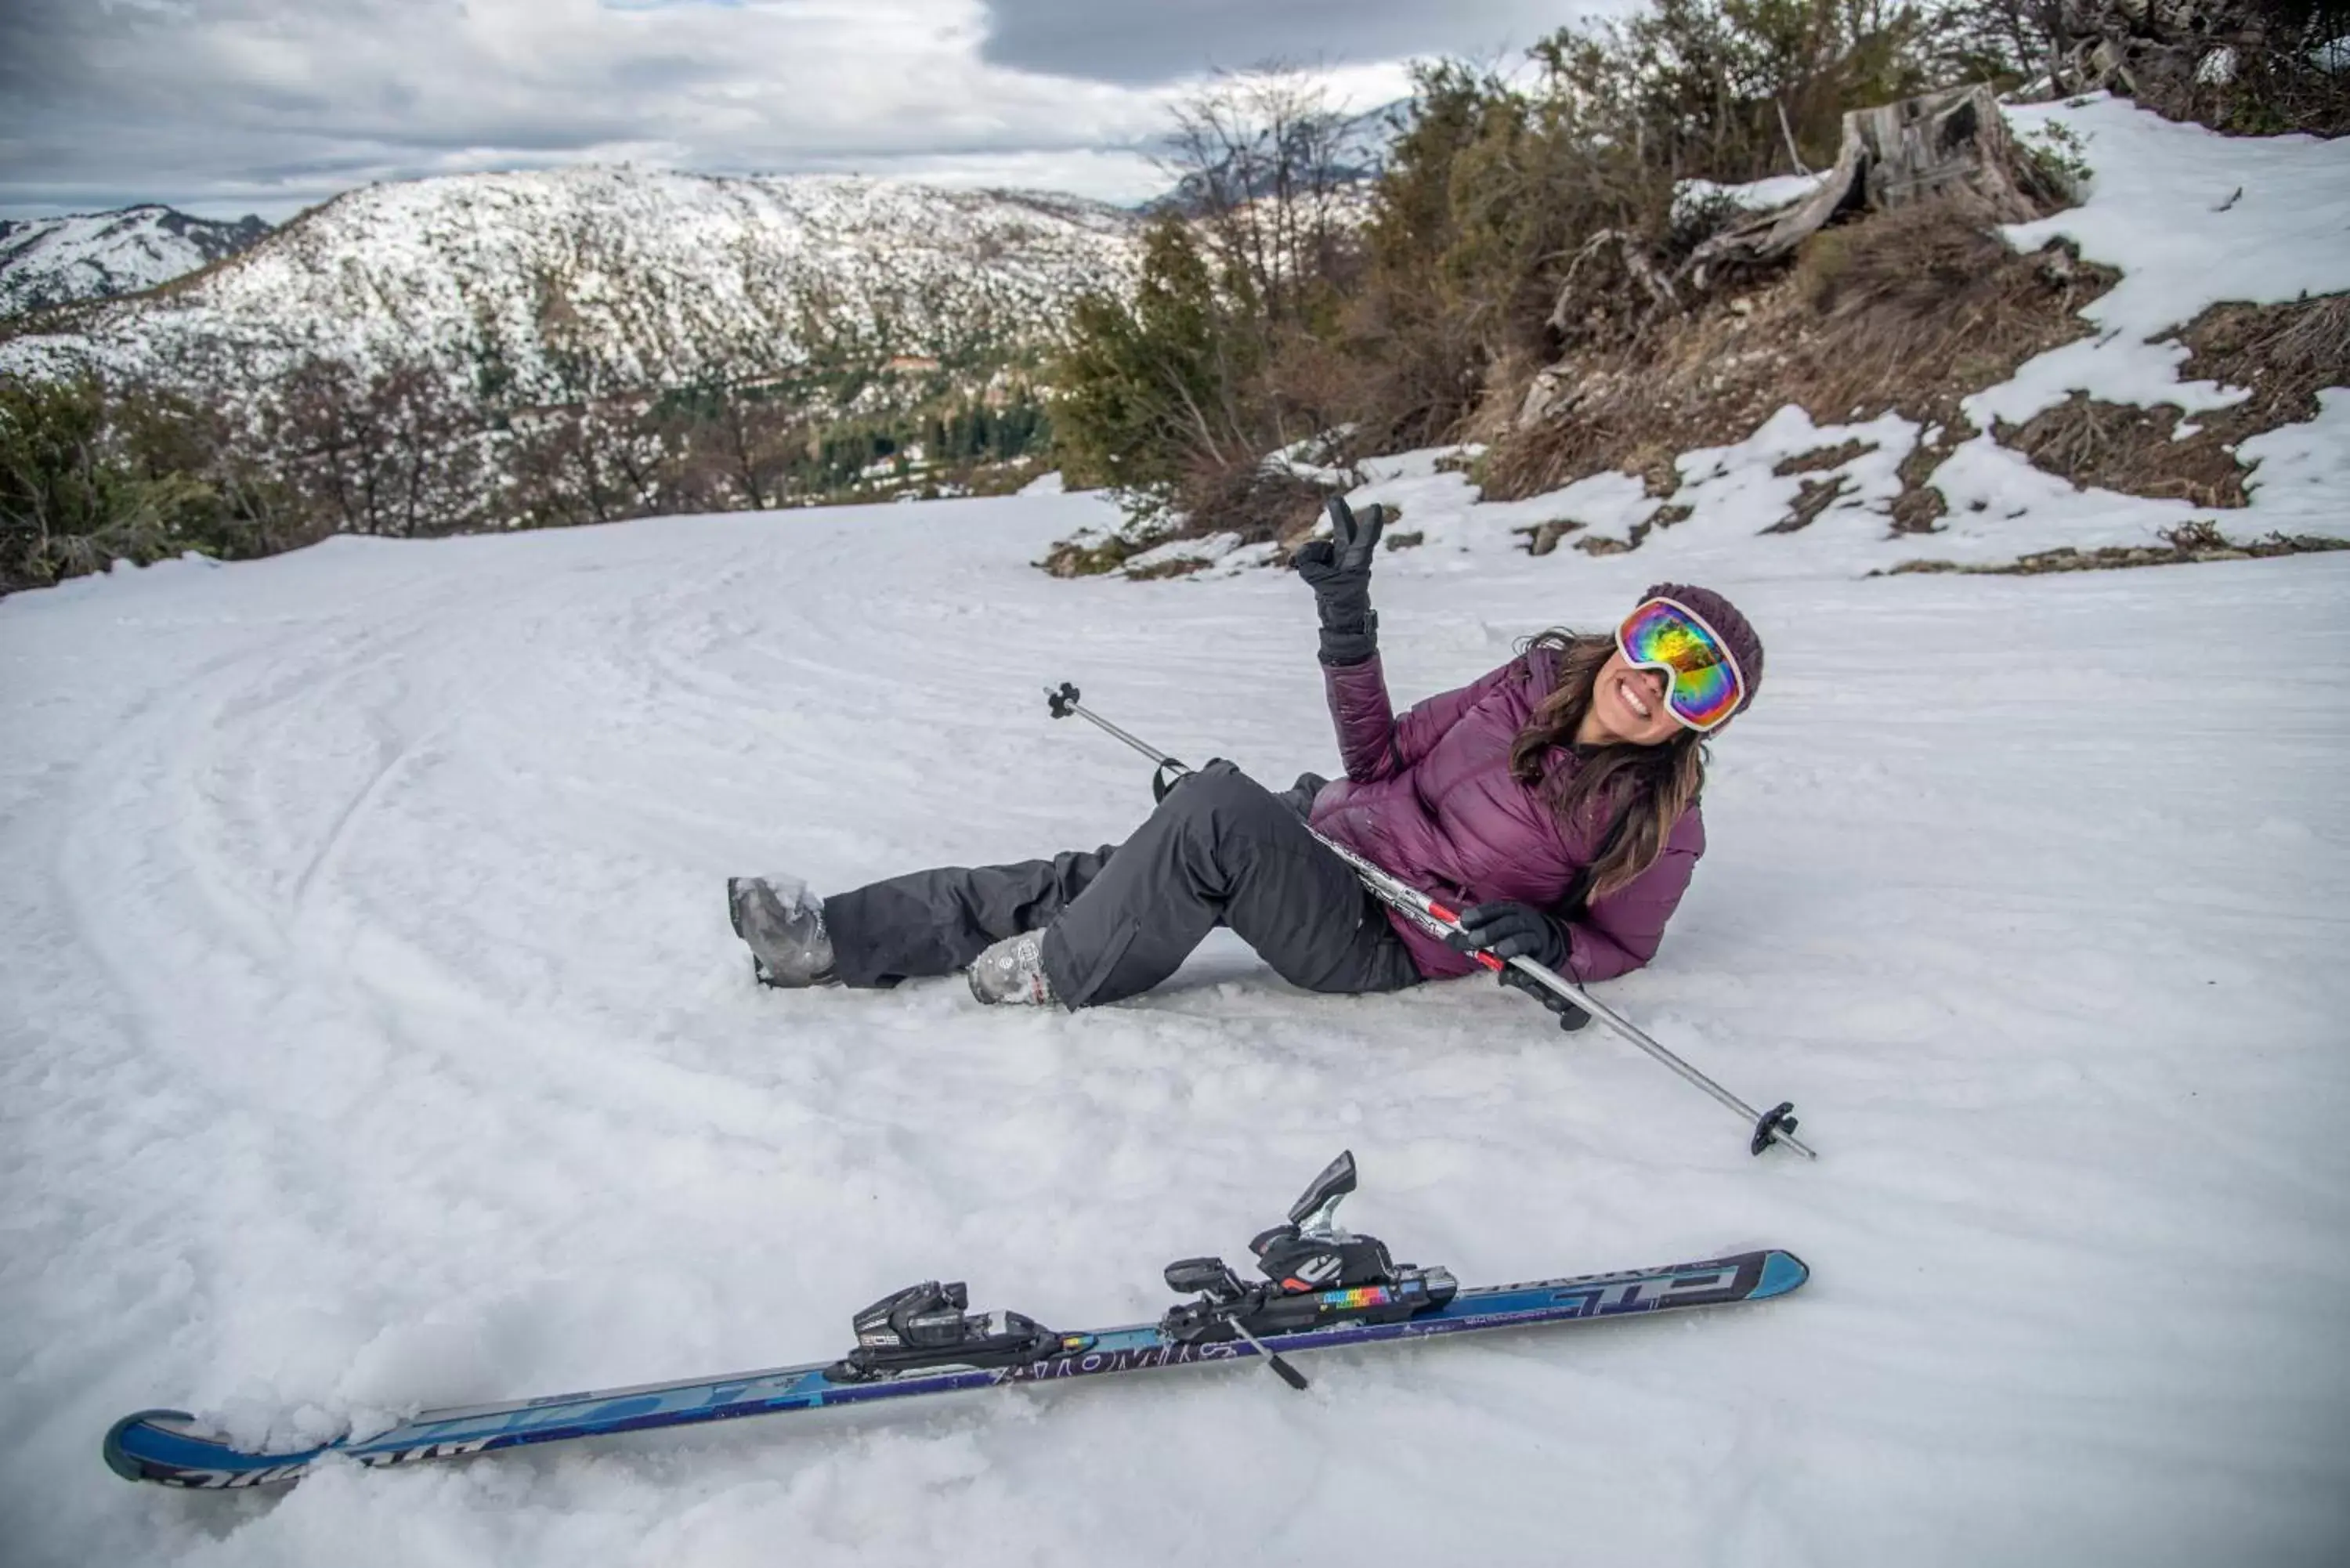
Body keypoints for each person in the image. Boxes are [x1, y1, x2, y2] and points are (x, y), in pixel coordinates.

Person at [728, 497, 1762, 1013]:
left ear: (1702, 721)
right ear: (1629, 630)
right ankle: (831, 939)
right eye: (1659, 640)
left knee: (1212, 812)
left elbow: (1621, 949)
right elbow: (1379, 757)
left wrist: (1544, 935)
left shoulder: (1664, 823)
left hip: (1382, 936)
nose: (1658, 680)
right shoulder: (1530, 683)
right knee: (1098, 872)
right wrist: (1347, 624)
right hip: (1333, 834)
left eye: (1698, 681)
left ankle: (1064, 970)